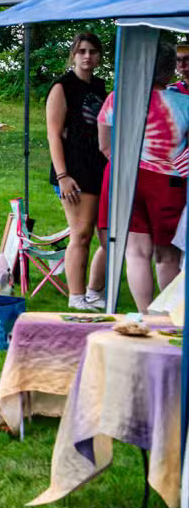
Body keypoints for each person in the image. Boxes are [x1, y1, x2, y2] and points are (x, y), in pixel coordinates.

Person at [97, 42, 189, 312]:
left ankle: (145, 316)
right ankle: (168, 318)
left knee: (135, 252)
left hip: (125, 178)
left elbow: (105, 145)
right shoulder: (184, 102)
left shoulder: (118, 97)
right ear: (170, 70)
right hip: (168, 183)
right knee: (167, 256)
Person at [45, 32, 109, 311]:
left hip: (99, 167)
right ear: (73, 54)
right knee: (81, 233)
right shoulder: (62, 87)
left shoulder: (99, 87)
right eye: (81, 51)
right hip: (72, 171)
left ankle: (94, 291)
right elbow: (53, 134)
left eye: (93, 51)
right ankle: (76, 297)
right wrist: (63, 175)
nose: (87, 56)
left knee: (107, 235)